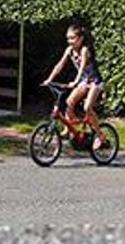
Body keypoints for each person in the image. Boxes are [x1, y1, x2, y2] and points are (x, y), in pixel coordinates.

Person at [42, 23, 106, 151]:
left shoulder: (84, 50)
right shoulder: (69, 50)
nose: (70, 41)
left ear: (80, 38)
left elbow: (82, 67)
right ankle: (69, 128)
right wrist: (49, 79)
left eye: (72, 38)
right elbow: (60, 65)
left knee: (87, 107)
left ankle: (100, 135)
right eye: (68, 38)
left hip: (95, 82)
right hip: (84, 81)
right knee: (69, 102)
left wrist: (76, 81)